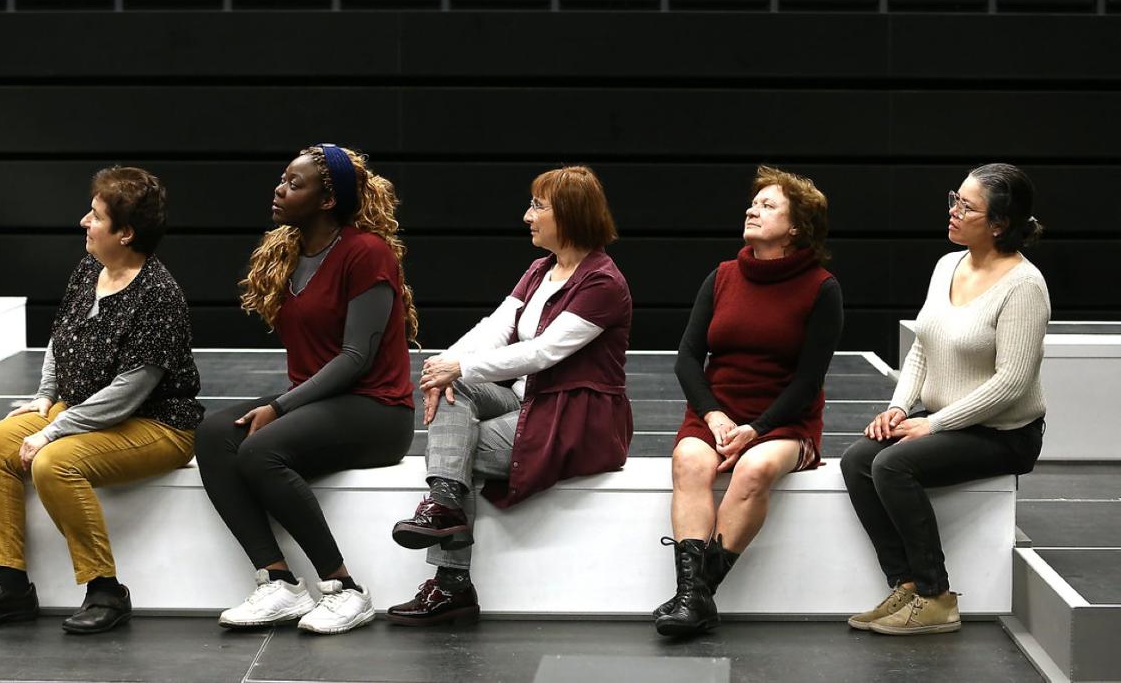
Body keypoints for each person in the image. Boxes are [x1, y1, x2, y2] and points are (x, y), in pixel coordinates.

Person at [0, 167, 203, 634]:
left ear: (125, 233)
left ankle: (106, 590)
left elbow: (127, 396)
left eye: (96, 216)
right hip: (83, 411)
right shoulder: (91, 267)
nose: (84, 222)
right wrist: (45, 398)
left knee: (54, 462)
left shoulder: (159, 295)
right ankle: (11, 586)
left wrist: (52, 430)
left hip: (156, 424)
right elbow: (61, 337)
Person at [386, 165, 632, 626]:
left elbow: (543, 353)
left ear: (572, 214)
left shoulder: (603, 283)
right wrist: (441, 370)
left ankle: (451, 581)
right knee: (456, 393)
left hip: (575, 416)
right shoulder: (542, 269)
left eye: (538, 206)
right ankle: (442, 505)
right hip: (533, 402)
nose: (527, 216)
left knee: (461, 449)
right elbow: (495, 328)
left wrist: (458, 367)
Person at [193, 145, 416, 635]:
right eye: (282, 179)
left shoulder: (366, 253)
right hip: (319, 402)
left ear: (327, 199)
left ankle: (345, 589)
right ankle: (278, 582)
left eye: (295, 183)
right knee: (213, 434)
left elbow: (356, 358)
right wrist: (285, 405)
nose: (279, 188)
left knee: (259, 451)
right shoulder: (289, 254)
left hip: (376, 410)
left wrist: (279, 406)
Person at [841, 163, 1048, 636]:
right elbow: (922, 346)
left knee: (892, 465)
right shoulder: (946, 265)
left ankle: (936, 596)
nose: (953, 212)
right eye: (954, 198)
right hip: (949, 419)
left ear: (998, 224)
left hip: (1004, 434)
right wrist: (899, 407)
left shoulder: (1025, 286)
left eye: (966, 206)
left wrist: (932, 425)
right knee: (857, 460)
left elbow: (1011, 383)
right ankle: (909, 585)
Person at [655, 165, 843, 637]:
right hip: (716, 412)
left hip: (785, 420)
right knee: (689, 462)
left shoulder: (822, 287)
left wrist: (756, 429)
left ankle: (692, 596)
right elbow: (688, 358)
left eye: (767, 205)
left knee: (754, 468)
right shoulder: (722, 276)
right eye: (753, 203)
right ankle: (694, 598)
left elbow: (808, 380)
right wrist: (714, 415)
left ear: (796, 225)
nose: (751, 209)